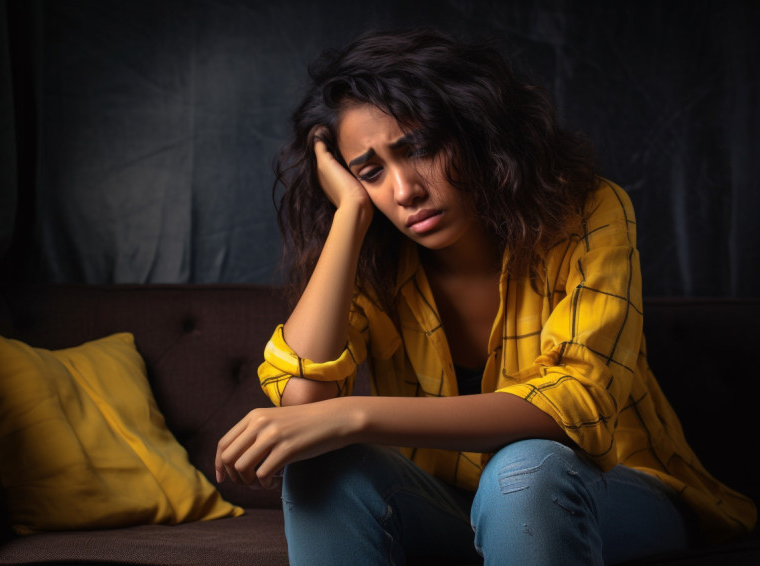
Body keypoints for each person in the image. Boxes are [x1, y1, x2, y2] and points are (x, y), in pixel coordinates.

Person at [214, 28, 756, 565]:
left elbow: (578, 399)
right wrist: (351, 217)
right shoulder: (375, 255)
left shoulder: (588, 212)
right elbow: (305, 405)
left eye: (420, 148)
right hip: (448, 504)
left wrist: (356, 414)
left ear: (476, 129)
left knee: (525, 469)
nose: (404, 191)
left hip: (605, 492)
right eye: (371, 172)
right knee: (322, 466)